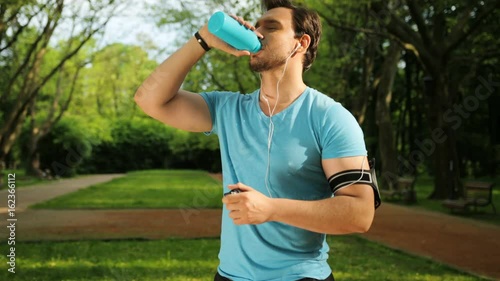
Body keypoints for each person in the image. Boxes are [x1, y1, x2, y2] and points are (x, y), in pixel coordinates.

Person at [135, 0, 380, 280]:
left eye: (271, 27)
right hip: (229, 276)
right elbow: (149, 100)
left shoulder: (330, 117)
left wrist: (272, 209)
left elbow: (360, 214)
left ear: (301, 43)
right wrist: (203, 39)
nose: (258, 32)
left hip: (300, 276)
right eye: (257, 25)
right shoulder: (228, 109)